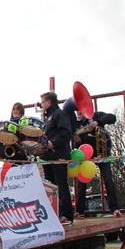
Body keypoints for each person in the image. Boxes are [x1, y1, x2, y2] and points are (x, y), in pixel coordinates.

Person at [72, 109, 121, 217]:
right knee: (81, 183)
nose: (78, 112)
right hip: (85, 157)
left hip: (102, 155)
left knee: (108, 180)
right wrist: (76, 141)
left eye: (80, 110)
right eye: (77, 111)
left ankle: (115, 209)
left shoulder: (96, 115)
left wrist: (98, 122)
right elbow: (75, 146)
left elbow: (112, 118)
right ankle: (79, 211)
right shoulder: (75, 123)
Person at [39, 91, 74, 224]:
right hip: (47, 156)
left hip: (58, 155)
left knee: (61, 185)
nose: (41, 104)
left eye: (43, 102)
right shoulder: (47, 117)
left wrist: (53, 143)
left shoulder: (59, 113)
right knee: (51, 186)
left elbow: (66, 132)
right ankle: (56, 213)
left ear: (49, 101)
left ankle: (67, 215)